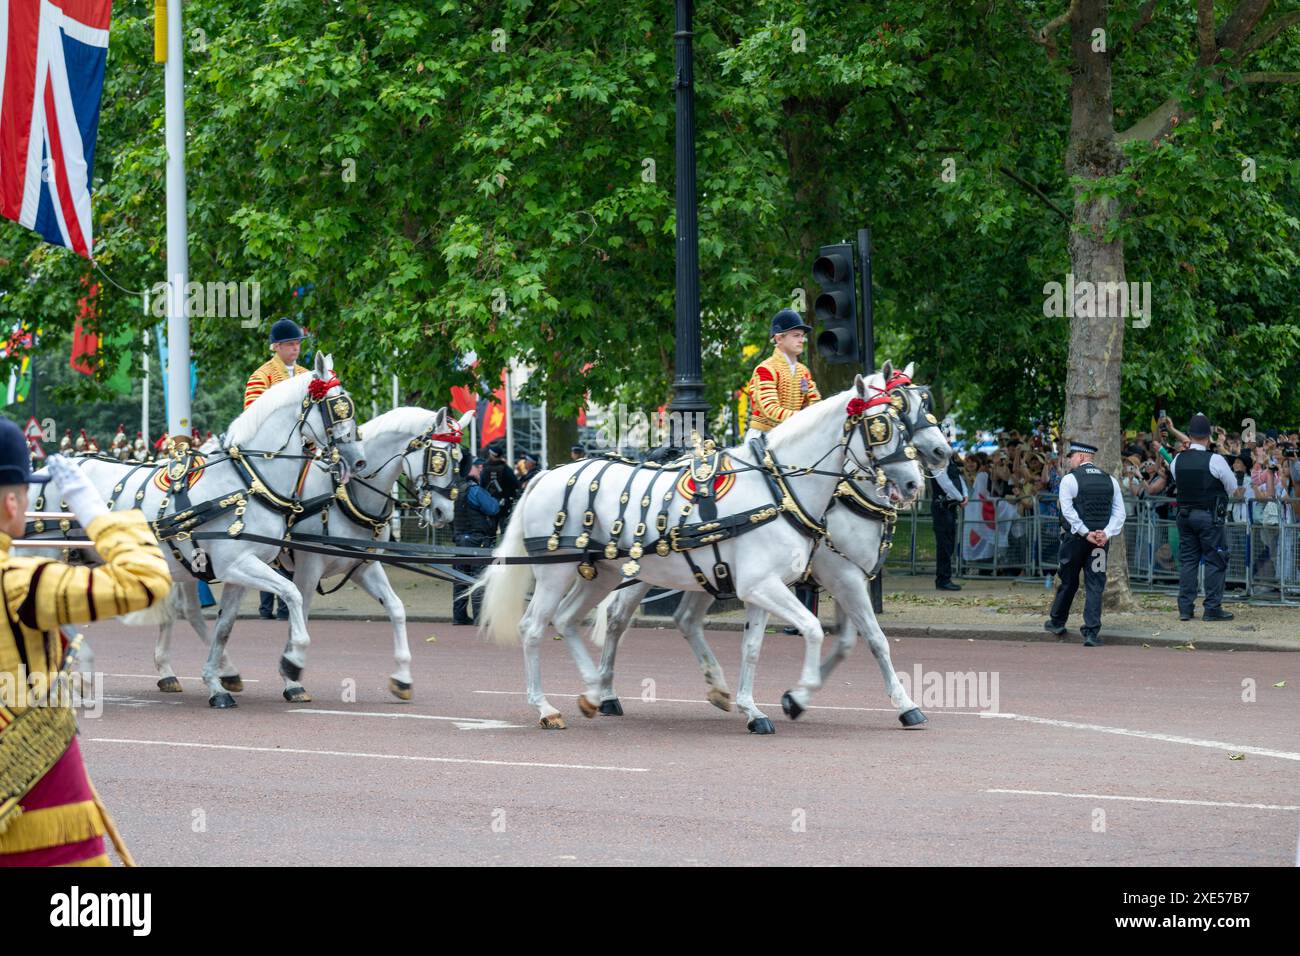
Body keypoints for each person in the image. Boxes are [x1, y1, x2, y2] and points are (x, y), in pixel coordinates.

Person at [0, 421, 173, 866]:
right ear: (10, 504)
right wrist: (98, 516)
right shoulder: (20, 584)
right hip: (33, 809)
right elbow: (146, 580)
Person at [744, 308, 822, 630]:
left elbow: (816, 402)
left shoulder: (803, 371)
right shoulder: (764, 369)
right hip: (763, 438)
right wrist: (808, 422)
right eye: (795, 335)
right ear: (778, 339)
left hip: (793, 439)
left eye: (802, 335)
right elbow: (769, 408)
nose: (801, 339)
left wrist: (818, 420)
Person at [246, 317, 309, 619]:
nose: (295, 348)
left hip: (305, 455)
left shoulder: (308, 375)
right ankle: (268, 599)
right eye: (290, 344)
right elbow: (255, 419)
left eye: (297, 343)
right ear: (276, 347)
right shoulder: (261, 377)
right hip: (271, 458)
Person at [1043, 440, 1126, 647]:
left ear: (1080, 456)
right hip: (1100, 543)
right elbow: (1119, 513)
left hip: (1075, 540)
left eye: (1071, 456)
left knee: (1068, 580)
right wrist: (1105, 533)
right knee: (1095, 584)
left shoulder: (1070, 480)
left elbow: (1067, 512)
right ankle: (1091, 632)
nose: (1069, 460)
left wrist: (1084, 532)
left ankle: (1057, 621)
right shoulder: (1110, 480)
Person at [1170, 414, 1242, 621]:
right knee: (1215, 560)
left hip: (1184, 516)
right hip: (1209, 516)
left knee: (1188, 561)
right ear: (1209, 436)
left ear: (1190, 435)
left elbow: (1178, 480)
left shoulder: (1177, 460)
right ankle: (1211, 608)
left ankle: (1185, 608)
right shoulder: (1215, 459)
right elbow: (1232, 487)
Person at [452, 457, 500, 625]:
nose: (480, 469)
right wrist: (494, 499)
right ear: (469, 469)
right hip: (477, 540)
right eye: (477, 466)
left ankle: (459, 616)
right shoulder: (475, 490)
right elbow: (493, 509)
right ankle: (480, 618)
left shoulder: (456, 490)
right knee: (479, 578)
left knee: (460, 578)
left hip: (460, 540)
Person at [931, 451, 967, 591]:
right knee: (944, 544)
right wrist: (960, 497)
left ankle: (945, 577)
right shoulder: (934, 462)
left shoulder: (949, 461)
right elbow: (944, 483)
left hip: (951, 506)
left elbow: (958, 478)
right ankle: (943, 579)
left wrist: (964, 495)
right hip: (942, 506)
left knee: (950, 542)